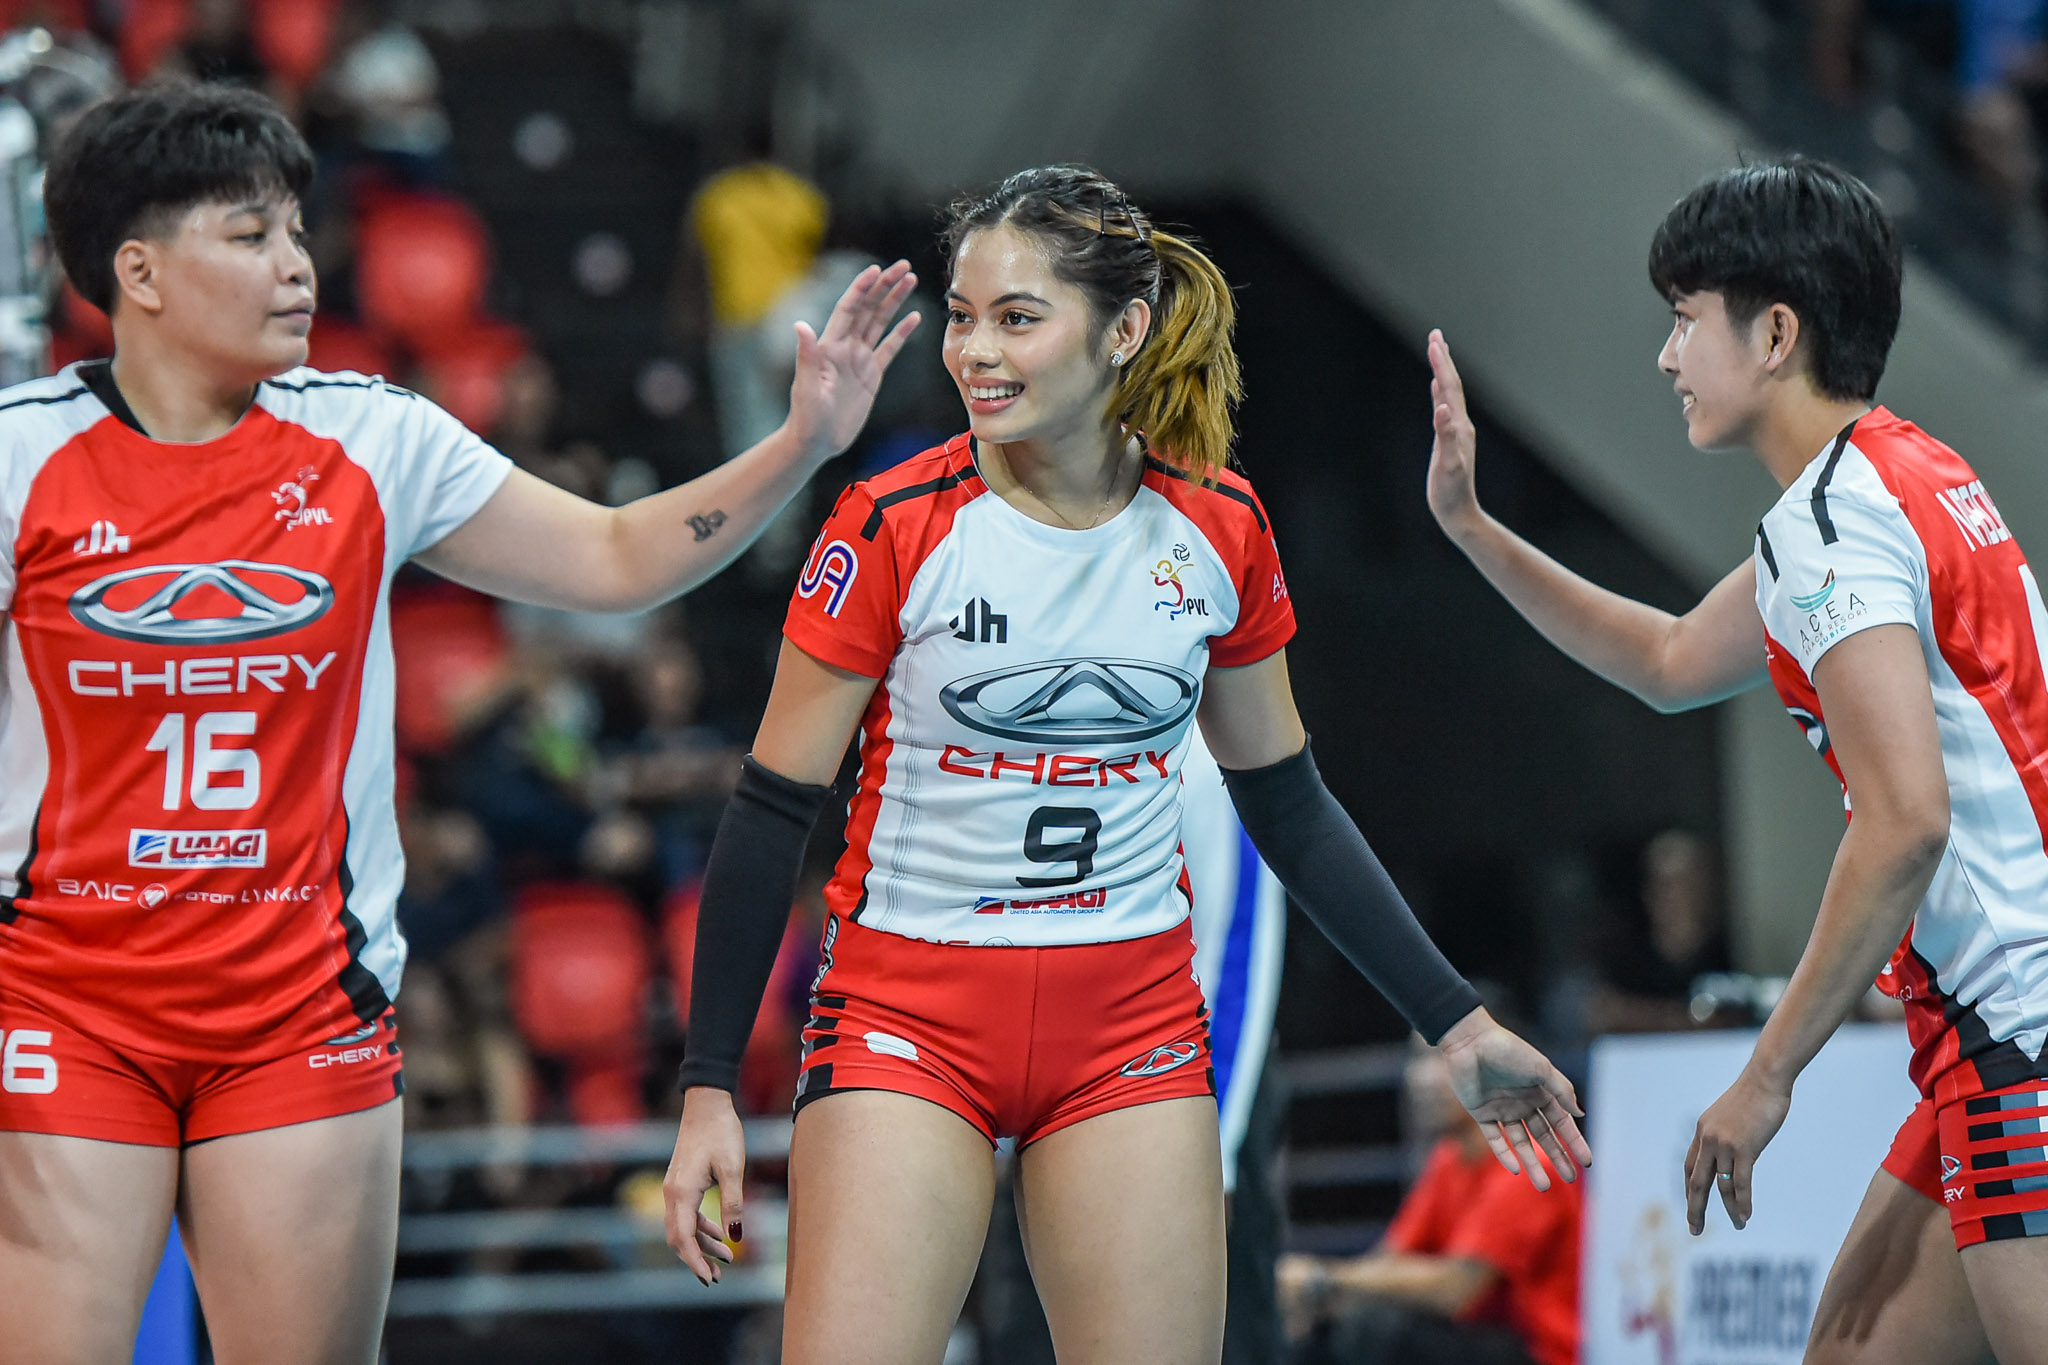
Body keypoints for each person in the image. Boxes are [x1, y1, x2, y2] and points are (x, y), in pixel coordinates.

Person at [0, 80, 918, 1365]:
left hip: (298, 1011)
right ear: (137, 271)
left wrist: (801, 443)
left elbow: (613, 557)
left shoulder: (372, 438)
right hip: (65, 1007)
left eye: (298, 231)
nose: (297, 265)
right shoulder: (22, 459)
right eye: (250, 235)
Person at [661, 165, 1591, 1365]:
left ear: (1123, 331)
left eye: (1016, 318)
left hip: (1130, 1029)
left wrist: (1455, 1025)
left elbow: (1289, 809)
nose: (974, 352)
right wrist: (706, 1086)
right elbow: (767, 809)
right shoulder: (891, 524)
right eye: (961, 316)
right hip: (905, 1019)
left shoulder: (1217, 527)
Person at [1425, 156, 2048, 1362]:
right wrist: (1470, 528)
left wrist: (1764, 1077)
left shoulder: (1831, 526)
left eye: (1682, 319)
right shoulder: (1908, 473)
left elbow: (1904, 824)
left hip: (2016, 1031)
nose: (1666, 358)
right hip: (1992, 1030)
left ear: (1772, 335)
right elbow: (1665, 659)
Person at [1278, 1031, 1583, 1365]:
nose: (1422, 1079)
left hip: (1537, 1353)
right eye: (1418, 1059)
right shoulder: (1449, 1158)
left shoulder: (1531, 1165)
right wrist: (1319, 1299)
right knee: (1326, 1325)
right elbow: (1389, 1261)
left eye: (1443, 1058)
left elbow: (1455, 1290)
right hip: (1475, 1340)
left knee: (1378, 1329)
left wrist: (1322, 1278)